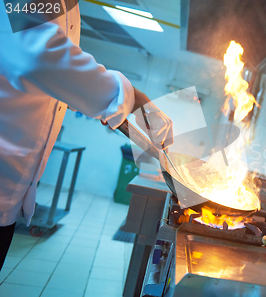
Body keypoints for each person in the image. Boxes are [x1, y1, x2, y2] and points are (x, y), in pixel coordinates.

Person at [0, 0, 173, 270]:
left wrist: (91, 102)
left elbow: (41, 75)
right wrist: (132, 100)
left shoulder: (69, 7)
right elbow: (37, 58)